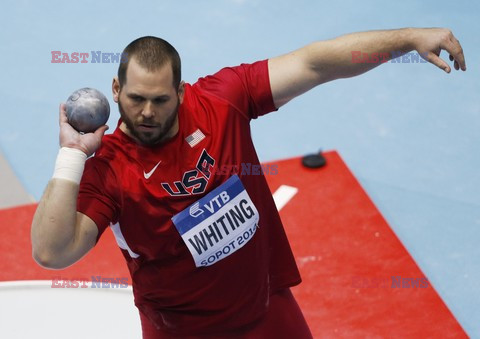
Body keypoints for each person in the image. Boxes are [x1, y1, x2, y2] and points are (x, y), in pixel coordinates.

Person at [31, 28, 466, 338]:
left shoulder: (221, 100)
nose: (146, 112)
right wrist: (72, 153)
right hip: (181, 330)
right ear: (115, 88)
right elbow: (52, 252)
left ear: (181, 93)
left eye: (160, 100)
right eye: (135, 98)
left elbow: (314, 63)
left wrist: (408, 39)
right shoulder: (109, 169)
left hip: (266, 309)